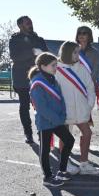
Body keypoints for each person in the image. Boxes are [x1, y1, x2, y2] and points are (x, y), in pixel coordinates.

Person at [55, 41, 99, 175]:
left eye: (78, 52)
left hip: (81, 109)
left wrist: (89, 105)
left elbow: (90, 87)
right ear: (67, 52)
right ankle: (66, 164)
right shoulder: (57, 69)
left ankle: (84, 164)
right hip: (65, 110)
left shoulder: (81, 68)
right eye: (75, 52)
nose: (78, 55)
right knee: (65, 138)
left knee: (87, 133)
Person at [29, 52, 75, 187]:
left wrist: (62, 114)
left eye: (56, 65)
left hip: (56, 120)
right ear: (43, 66)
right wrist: (58, 119)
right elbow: (42, 107)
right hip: (45, 122)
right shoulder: (37, 83)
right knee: (45, 150)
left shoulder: (52, 79)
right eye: (53, 65)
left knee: (69, 140)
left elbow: (60, 99)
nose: (56, 68)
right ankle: (47, 177)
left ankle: (61, 171)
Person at [9, 16, 48, 144]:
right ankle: (28, 133)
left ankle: (41, 131)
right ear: (20, 25)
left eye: (31, 22)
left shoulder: (38, 39)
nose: (30, 24)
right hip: (21, 78)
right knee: (24, 106)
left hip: (38, 77)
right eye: (27, 23)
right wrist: (32, 52)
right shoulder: (15, 40)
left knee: (40, 106)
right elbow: (15, 56)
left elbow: (46, 55)